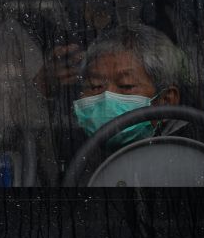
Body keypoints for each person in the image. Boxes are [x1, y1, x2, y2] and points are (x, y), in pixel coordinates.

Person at [71, 23, 191, 152]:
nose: (106, 97)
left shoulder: (193, 156)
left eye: (126, 86)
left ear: (166, 101)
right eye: (95, 86)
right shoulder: (74, 151)